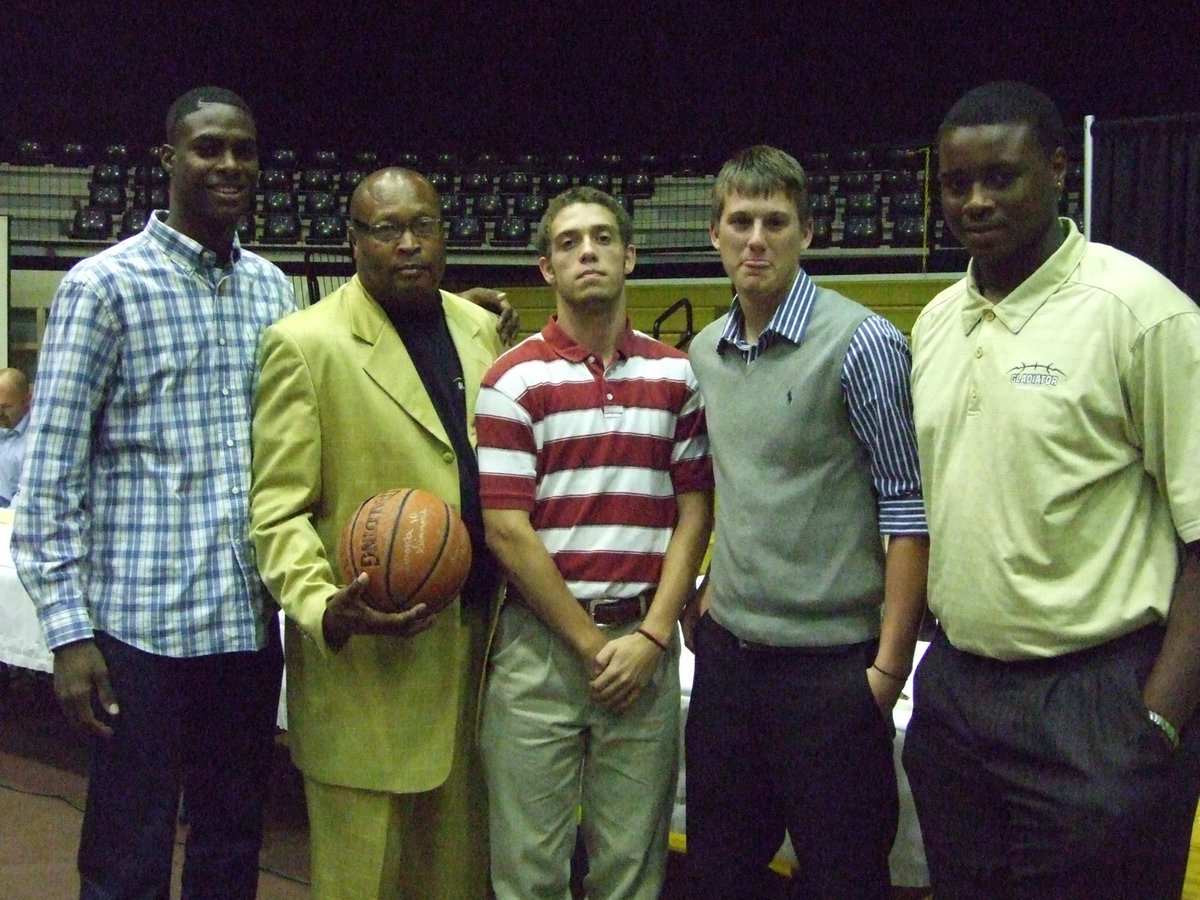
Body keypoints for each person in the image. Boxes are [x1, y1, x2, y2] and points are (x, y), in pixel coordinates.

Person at [902, 81, 1200, 899]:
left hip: (1097, 699)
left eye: (1002, 177)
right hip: (958, 692)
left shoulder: (1141, 313)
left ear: (1059, 170)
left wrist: (1158, 722)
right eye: (957, 184)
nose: (976, 201)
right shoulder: (934, 322)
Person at [11, 86, 294, 899]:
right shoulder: (102, 288)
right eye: (209, 147)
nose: (229, 164)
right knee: (127, 857)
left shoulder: (273, 290)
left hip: (244, 626)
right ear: (167, 159)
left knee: (231, 847)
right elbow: (50, 475)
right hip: (137, 636)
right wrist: (68, 636)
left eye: (243, 148)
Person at [249, 166, 506, 900]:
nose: (407, 244)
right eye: (386, 229)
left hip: (471, 648)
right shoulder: (305, 344)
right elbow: (277, 509)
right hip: (368, 667)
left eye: (422, 225)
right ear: (353, 240)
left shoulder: (478, 327)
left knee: (459, 882)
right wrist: (325, 603)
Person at [684, 145, 929, 900]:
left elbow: (907, 509)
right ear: (716, 234)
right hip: (728, 667)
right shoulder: (703, 352)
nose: (756, 239)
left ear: (807, 233)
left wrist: (886, 673)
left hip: (831, 671)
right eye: (741, 222)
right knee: (722, 875)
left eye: (776, 222)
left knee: (845, 879)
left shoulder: (863, 344)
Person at [475, 186, 714, 899]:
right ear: (546, 267)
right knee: (528, 872)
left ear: (630, 255)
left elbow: (694, 513)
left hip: (642, 646)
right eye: (570, 242)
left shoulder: (679, 375)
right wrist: (591, 644)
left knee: (631, 874)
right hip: (540, 651)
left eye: (603, 238)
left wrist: (652, 634)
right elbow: (507, 534)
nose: (588, 252)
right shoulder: (511, 379)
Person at [0, 367, 32, 507]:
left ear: (27, 400)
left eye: (6, 407)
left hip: (13, 511)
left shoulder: (35, 438)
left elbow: (25, 494)